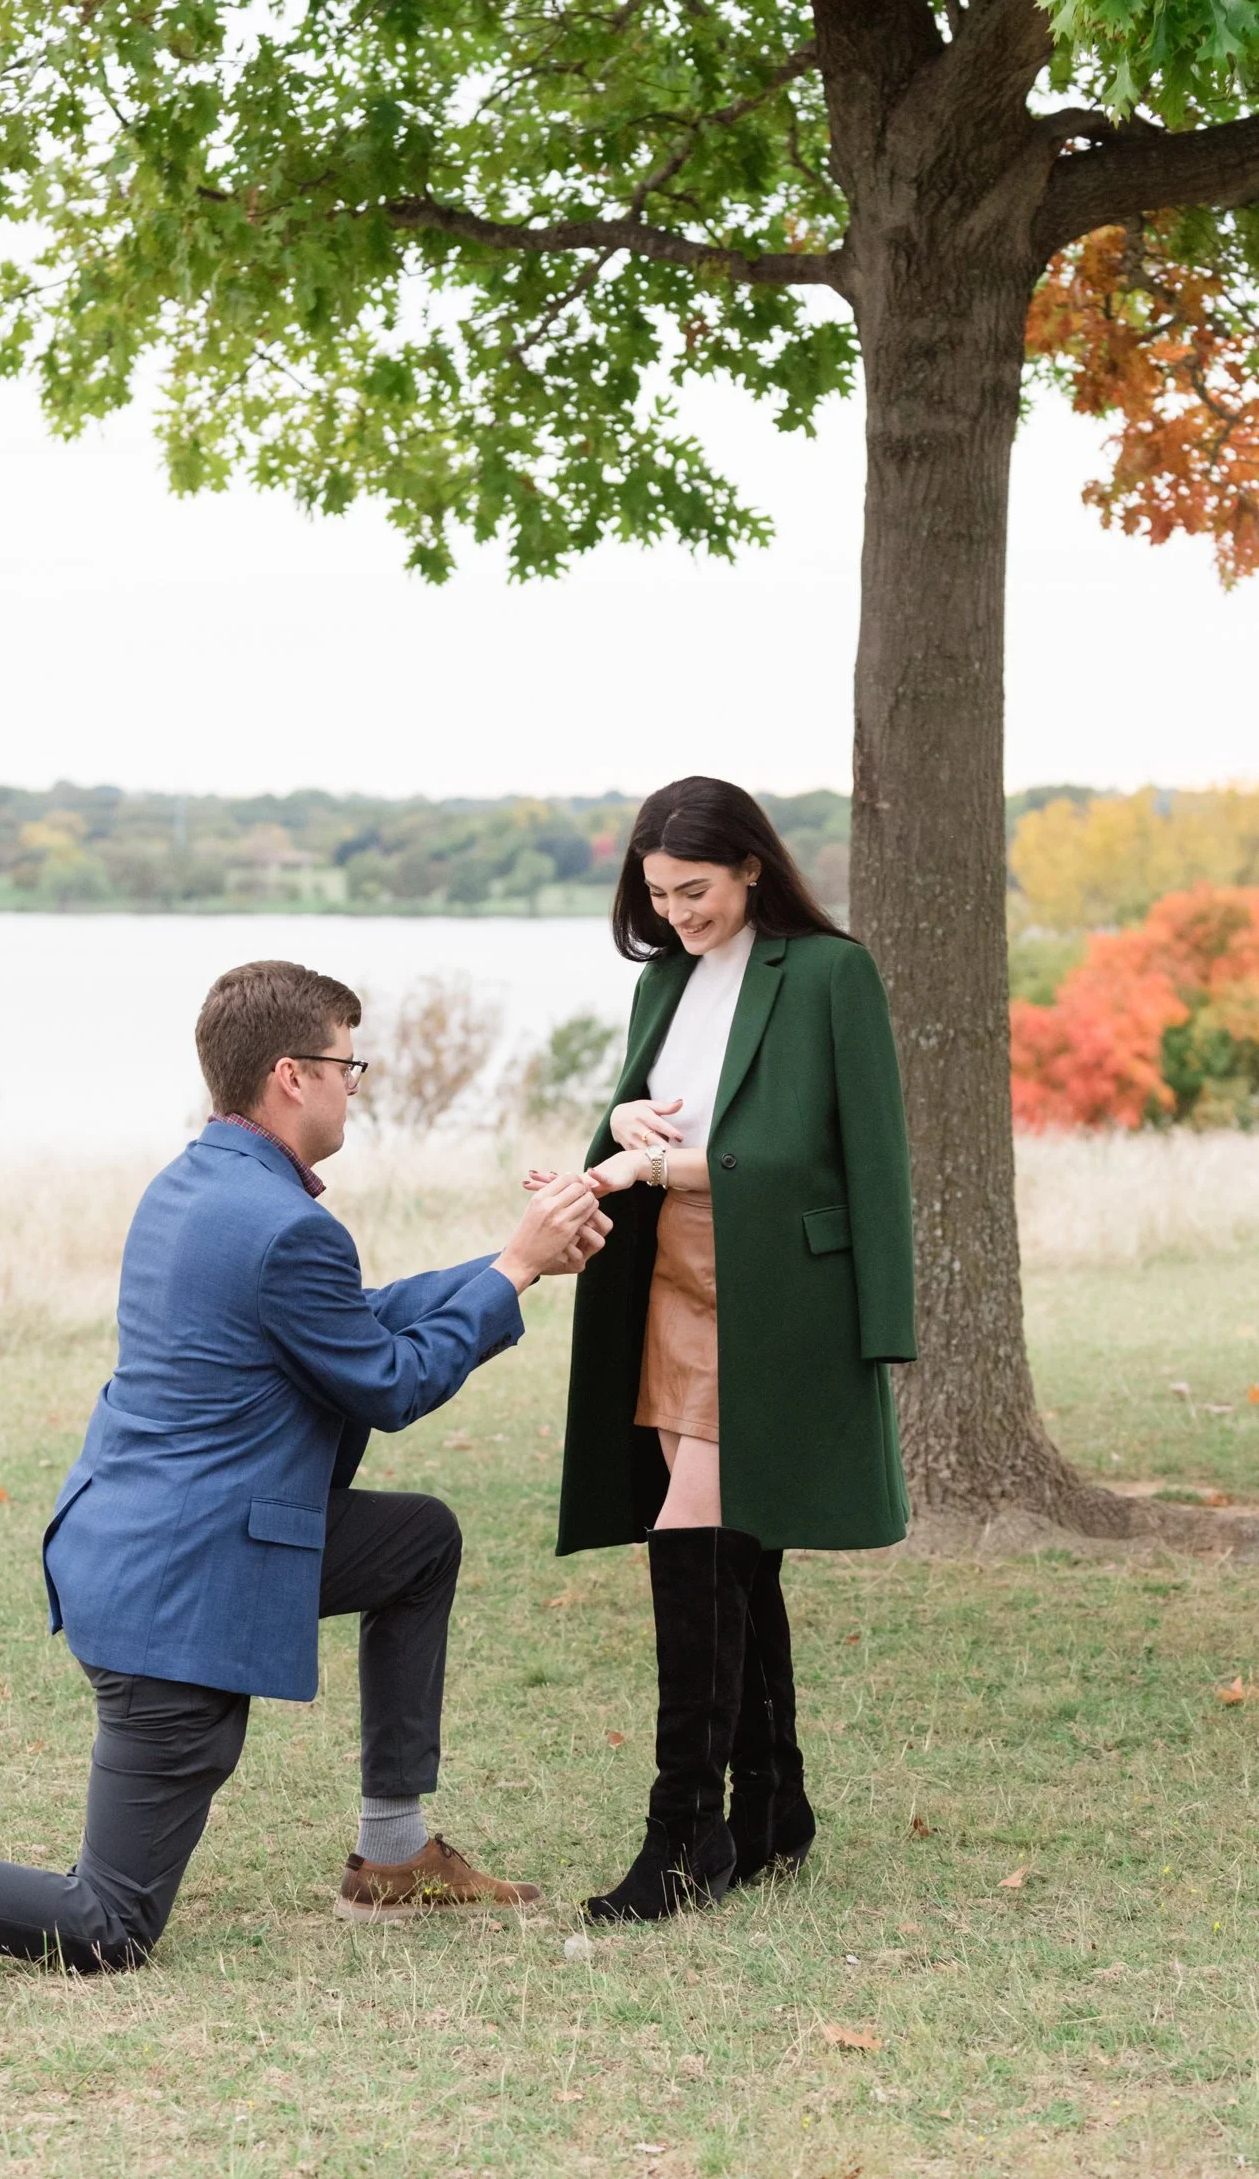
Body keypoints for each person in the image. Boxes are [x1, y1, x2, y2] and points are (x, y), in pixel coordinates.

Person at [0, 959, 608, 2005]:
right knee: (109, 1922)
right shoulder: (288, 1226)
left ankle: (391, 1856)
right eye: (351, 1063)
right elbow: (389, 1383)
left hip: (132, 1541)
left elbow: (349, 1321)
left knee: (417, 1540)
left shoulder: (197, 1186)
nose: (361, 1084)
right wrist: (514, 1273)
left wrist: (511, 1256)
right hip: (179, 1588)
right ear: (291, 1076)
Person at [541, 778, 916, 1924]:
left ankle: (681, 1832)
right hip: (667, 1274)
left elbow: (842, 1159)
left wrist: (664, 1165)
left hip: (775, 1287)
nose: (676, 913)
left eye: (693, 890)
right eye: (656, 893)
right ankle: (771, 1808)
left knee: (694, 1529)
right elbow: (645, 1108)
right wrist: (622, 1129)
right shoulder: (663, 977)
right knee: (731, 1546)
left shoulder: (830, 972)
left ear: (752, 865)